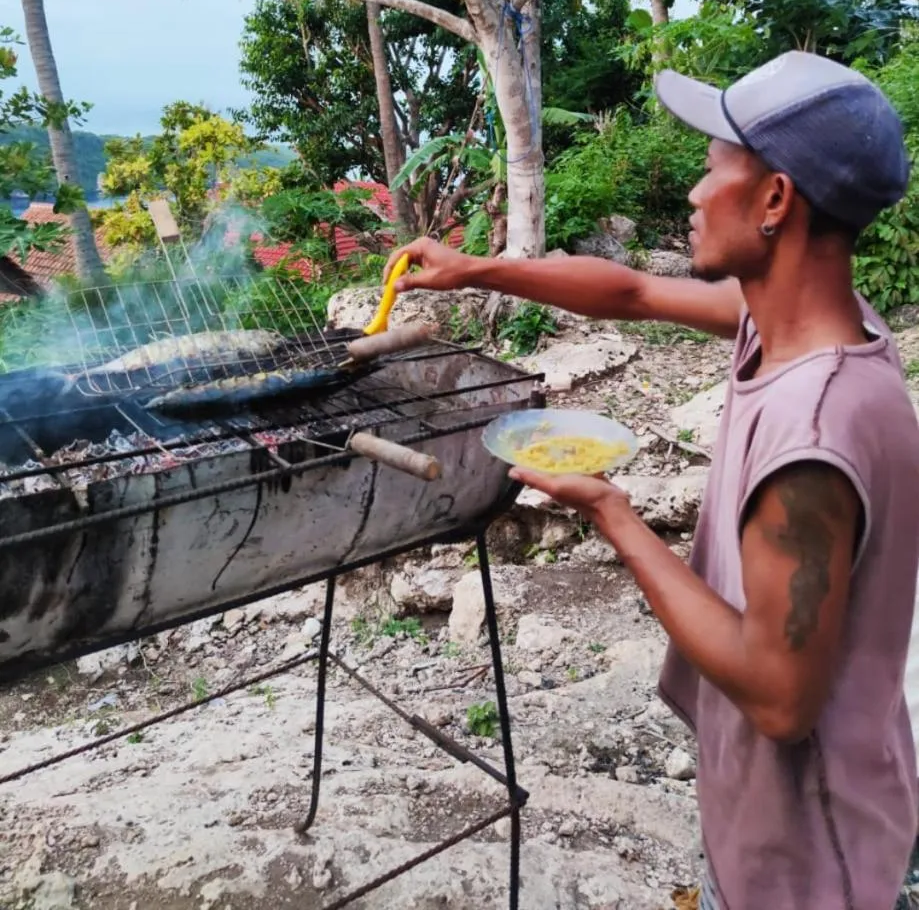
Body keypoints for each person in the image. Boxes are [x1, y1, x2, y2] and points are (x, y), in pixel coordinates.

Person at [383, 50, 919, 909]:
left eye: (714, 169)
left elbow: (780, 701)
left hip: (806, 859)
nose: (695, 194)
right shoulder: (812, 326)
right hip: (802, 808)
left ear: (774, 200)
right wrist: (474, 268)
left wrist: (613, 515)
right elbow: (630, 292)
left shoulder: (811, 438)